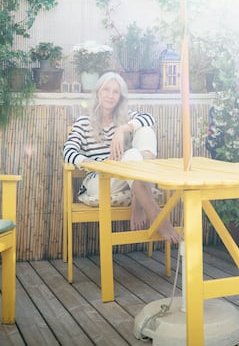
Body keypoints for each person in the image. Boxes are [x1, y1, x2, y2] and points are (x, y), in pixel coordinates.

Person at [63, 71, 180, 243]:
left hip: (123, 175)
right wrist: (89, 163)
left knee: (144, 131)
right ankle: (155, 214)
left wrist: (122, 129)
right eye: (106, 90)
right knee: (132, 155)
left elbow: (149, 119)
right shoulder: (83, 122)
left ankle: (139, 200)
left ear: (120, 97)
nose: (110, 95)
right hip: (99, 180)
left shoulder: (125, 118)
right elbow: (68, 150)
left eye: (115, 92)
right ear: (98, 92)